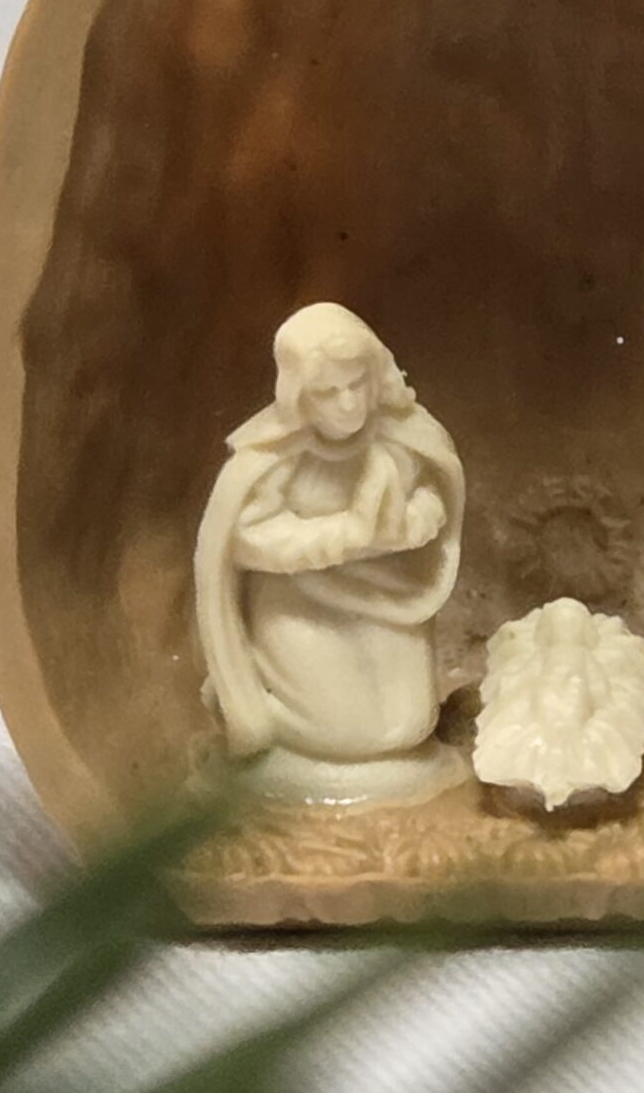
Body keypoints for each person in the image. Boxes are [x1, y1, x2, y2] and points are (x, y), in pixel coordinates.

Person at [193, 302, 466, 804]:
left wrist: (409, 525)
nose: (348, 404)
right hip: (301, 602)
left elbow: (433, 494)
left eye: (357, 384)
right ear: (299, 394)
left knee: (407, 725)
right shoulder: (273, 457)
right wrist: (341, 537)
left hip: (382, 597)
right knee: (345, 735)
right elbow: (245, 537)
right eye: (328, 392)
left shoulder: (404, 435)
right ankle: (250, 694)